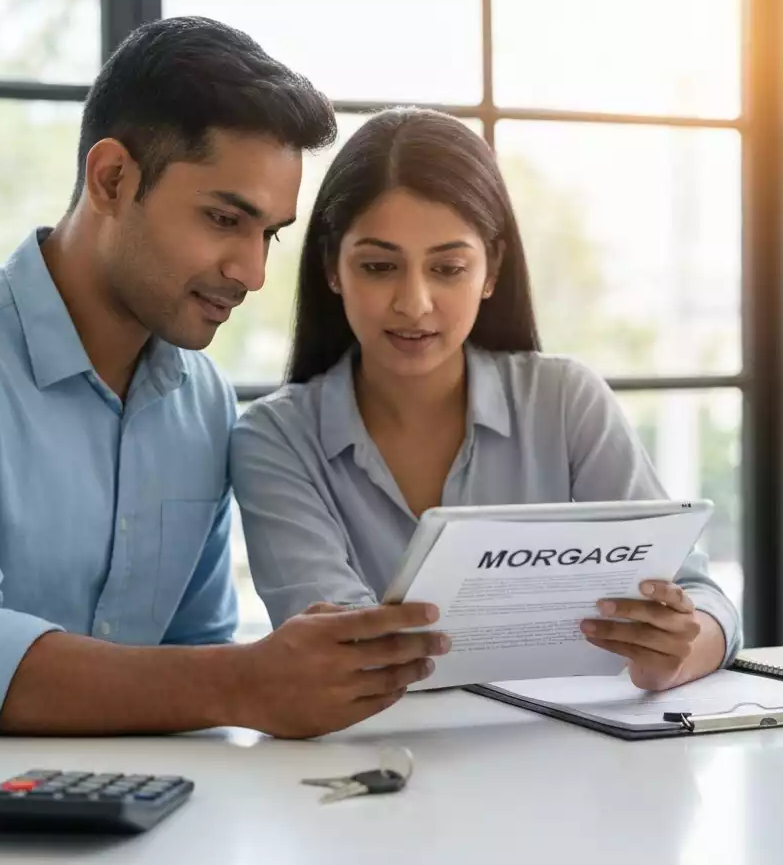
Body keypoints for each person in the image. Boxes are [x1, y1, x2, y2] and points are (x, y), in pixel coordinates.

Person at [0, 20, 449, 742]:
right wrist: (248, 682)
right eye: (224, 218)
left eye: (267, 234)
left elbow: (191, 655)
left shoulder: (202, 404)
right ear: (112, 179)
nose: (253, 272)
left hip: (132, 828)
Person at [230, 107, 741, 692]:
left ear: (491, 269)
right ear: (332, 268)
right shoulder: (275, 440)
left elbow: (704, 600)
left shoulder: (565, 401)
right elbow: (337, 650)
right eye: (378, 266)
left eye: (448, 268)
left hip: (571, 757)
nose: (414, 303)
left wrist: (675, 649)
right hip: (381, 758)